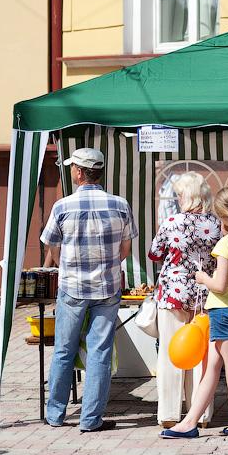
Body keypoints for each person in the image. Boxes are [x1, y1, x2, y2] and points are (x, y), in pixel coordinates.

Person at [41, 148, 137, 432]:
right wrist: (108, 264)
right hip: (107, 287)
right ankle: (91, 419)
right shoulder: (120, 204)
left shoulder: (62, 206)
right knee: (100, 352)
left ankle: (55, 415)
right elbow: (126, 249)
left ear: (80, 172)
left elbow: (52, 246)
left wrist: (66, 267)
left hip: (72, 286)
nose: (71, 172)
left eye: (73, 168)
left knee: (63, 350)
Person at [161, 188, 228, 438]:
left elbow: (217, 285)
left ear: (221, 216)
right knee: (212, 368)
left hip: (222, 308)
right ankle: (190, 422)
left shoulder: (225, 244)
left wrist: (202, 277)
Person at [147, 172, 221, 429]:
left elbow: (154, 254)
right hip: (204, 294)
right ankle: (200, 414)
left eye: (179, 194)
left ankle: (168, 414)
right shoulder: (215, 224)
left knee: (171, 353)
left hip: (174, 294)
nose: (177, 199)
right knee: (201, 356)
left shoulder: (171, 222)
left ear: (186, 196)